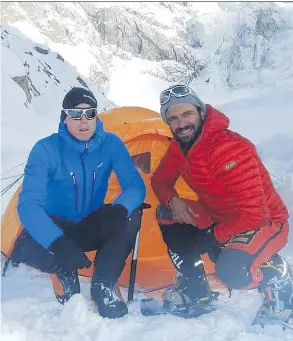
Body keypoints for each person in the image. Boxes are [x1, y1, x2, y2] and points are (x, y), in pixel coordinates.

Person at [151, 84, 292, 320]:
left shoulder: (229, 149)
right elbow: (160, 181)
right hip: (218, 215)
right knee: (166, 213)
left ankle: (280, 279)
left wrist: (213, 237)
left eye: (187, 114)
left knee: (233, 271)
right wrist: (172, 200)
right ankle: (196, 289)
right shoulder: (180, 147)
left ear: (201, 113)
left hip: (267, 222)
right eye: (173, 118)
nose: (181, 123)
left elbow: (256, 215)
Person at [11, 87, 146, 319]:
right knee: (27, 247)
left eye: (89, 113)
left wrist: (120, 207)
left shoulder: (111, 144)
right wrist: (56, 242)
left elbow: (135, 185)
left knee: (130, 215)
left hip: (88, 223)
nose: (83, 121)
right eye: (75, 114)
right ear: (64, 118)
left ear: (96, 116)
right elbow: (28, 205)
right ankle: (64, 269)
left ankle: (103, 285)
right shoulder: (45, 149)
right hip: (56, 226)